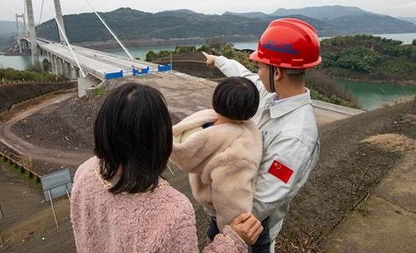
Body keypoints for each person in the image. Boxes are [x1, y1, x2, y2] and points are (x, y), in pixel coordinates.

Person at [70, 82, 263, 253]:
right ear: (160, 138)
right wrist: (233, 241)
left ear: (103, 127)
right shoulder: (172, 211)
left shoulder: (86, 171)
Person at [202, 18, 321, 252]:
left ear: (276, 72)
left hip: (250, 232)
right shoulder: (272, 94)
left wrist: (223, 227)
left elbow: (261, 201)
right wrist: (218, 61)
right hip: (228, 216)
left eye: (261, 65)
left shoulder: (296, 136)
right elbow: (246, 77)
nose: (257, 71)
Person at [170, 77, 264, 239]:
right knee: (215, 238)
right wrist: (230, 236)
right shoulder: (239, 152)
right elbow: (231, 199)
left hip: (205, 196)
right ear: (251, 109)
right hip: (219, 213)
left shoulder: (203, 119)